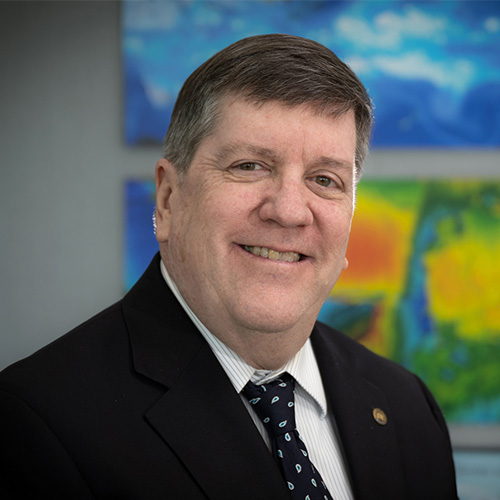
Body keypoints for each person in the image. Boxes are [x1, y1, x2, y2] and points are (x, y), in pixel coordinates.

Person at [0, 34, 458, 499]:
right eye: (250, 166)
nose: (289, 211)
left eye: (325, 180)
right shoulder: (34, 423)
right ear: (169, 199)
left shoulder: (407, 407)